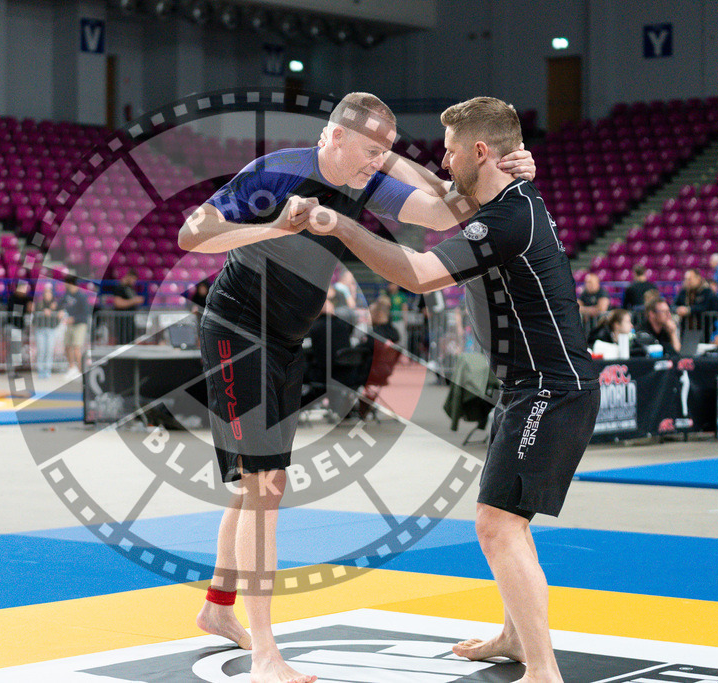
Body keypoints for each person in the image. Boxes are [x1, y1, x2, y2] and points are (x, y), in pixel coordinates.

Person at [178, 91, 536, 683]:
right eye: (371, 150)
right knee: (264, 485)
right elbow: (192, 235)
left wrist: (503, 167)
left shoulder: (364, 182)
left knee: (256, 485)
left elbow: (446, 212)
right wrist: (270, 226)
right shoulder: (277, 172)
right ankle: (265, 654)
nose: (378, 163)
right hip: (236, 329)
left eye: (385, 153)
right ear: (335, 136)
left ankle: (217, 610)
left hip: (285, 340)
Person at [304, 96, 597, 681]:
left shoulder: (506, 219)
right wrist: (381, 159)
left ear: (480, 152)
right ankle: (516, 637)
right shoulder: (508, 200)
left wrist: (341, 226)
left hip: (550, 389)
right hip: (530, 386)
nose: (444, 160)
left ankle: (544, 670)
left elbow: (418, 275)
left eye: (452, 150)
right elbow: (442, 191)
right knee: (509, 521)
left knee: (496, 524)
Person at [61, 274, 91, 381]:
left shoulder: (81, 296)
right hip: (69, 324)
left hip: (79, 324)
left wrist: (73, 319)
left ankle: (79, 371)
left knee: (77, 348)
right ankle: (71, 368)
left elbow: (85, 313)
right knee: (67, 346)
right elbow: (61, 305)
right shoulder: (67, 295)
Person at [33, 285, 62, 378]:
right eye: (46, 292)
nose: (47, 295)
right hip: (40, 329)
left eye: (49, 293)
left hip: (51, 329)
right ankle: (40, 370)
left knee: (49, 350)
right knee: (41, 350)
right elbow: (34, 314)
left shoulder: (56, 305)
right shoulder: (39, 304)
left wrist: (54, 312)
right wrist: (43, 311)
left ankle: (47, 369)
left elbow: (59, 315)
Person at [113, 270, 144, 345]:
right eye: (133, 279)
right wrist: (134, 301)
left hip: (130, 321)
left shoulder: (130, 288)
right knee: (122, 342)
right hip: (122, 321)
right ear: (128, 276)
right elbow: (118, 303)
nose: (134, 281)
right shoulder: (120, 287)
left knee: (131, 341)